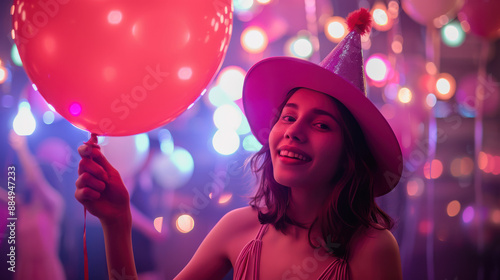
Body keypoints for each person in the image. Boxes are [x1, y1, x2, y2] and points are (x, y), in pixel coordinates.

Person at [75, 8, 403, 280]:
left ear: (349, 155)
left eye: (320, 124)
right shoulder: (240, 227)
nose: (294, 131)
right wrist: (118, 221)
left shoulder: (372, 248)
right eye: (288, 117)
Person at [7, 131, 66, 280]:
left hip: (46, 271)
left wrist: (21, 147)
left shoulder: (54, 203)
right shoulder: (22, 205)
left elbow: (36, 179)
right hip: (24, 269)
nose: (26, 174)